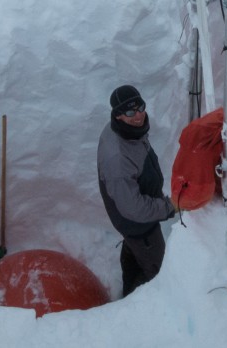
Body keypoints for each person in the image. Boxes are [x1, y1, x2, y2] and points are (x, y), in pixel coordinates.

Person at [97, 84, 176, 297]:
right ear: (118, 115)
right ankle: (143, 303)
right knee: (159, 269)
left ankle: (131, 274)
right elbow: (133, 208)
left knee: (135, 249)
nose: (138, 115)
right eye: (130, 112)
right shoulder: (117, 158)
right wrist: (169, 207)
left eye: (140, 107)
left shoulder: (127, 130)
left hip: (134, 218)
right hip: (139, 225)